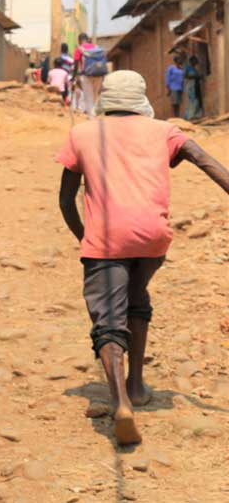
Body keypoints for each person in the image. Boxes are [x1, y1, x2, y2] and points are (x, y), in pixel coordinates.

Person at [56, 70, 229, 446]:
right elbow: (205, 161)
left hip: (105, 240)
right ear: (141, 100)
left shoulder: (83, 134)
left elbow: (66, 199)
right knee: (137, 299)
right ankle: (135, 386)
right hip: (153, 238)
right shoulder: (164, 131)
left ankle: (120, 403)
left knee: (108, 319)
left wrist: (84, 237)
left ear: (105, 100)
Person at [73, 33, 105, 117]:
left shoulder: (79, 49)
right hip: (99, 74)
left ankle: (91, 118)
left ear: (79, 40)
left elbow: (76, 64)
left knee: (88, 97)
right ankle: (94, 115)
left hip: (86, 75)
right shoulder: (96, 47)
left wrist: (74, 77)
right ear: (88, 40)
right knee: (94, 96)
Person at [183, 55, 205, 120]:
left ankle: (195, 115)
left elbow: (197, 76)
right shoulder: (188, 68)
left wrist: (200, 76)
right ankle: (189, 116)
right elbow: (186, 76)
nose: (195, 62)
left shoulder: (195, 69)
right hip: (191, 87)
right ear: (191, 61)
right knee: (191, 100)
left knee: (196, 100)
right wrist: (196, 76)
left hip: (196, 86)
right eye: (194, 61)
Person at [164, 55, 185, 119]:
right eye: (179, 59)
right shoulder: (171, 68)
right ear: (175, 61)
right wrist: (168, 88)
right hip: (173, 88)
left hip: (180, 88)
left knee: (178, 103)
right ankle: (173, 118)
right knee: (174, 103)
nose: (180, 61)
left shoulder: (182, 69)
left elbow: (183, 79)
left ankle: (177, 117)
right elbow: (167, 78)